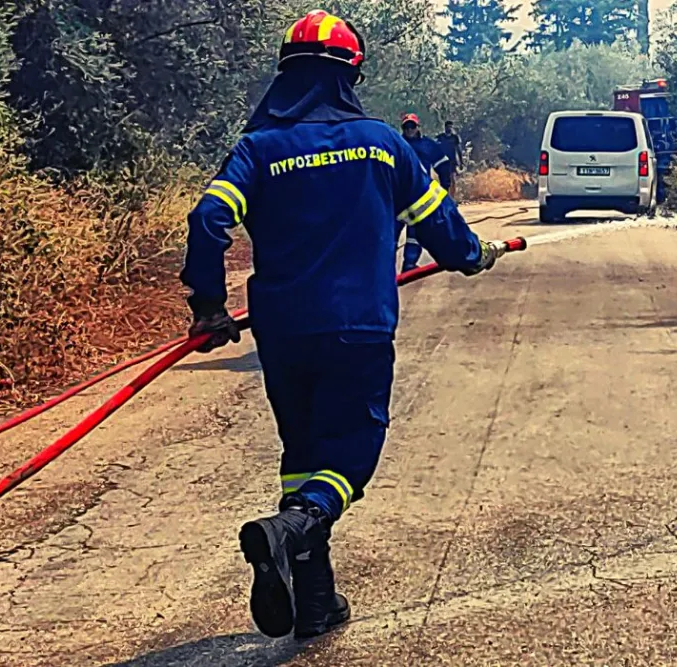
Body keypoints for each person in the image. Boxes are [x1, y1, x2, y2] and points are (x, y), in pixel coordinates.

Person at [178, 10, 500, 641]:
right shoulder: (383, 143)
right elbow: (444, 231)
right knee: (350, 453)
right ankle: (293, 527)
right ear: (351, 75)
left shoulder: (258, 149)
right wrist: (473, 255)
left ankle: (316, 604)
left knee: (302, 456)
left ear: (285, 76)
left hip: (285, 332)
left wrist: (208, 307)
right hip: (358, 326)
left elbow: (207, 220)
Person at [399, 114, 451, 272]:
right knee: (389, 232)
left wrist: (445, 186)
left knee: (415, 231)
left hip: (418, 194)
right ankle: (383, 269)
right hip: (397, 194)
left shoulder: (427, 145)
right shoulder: (397, 144)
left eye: (412, 127)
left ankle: (409, 264)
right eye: (406, 127)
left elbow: (443, 164)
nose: (409, 130)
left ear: (417, 127)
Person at [437, 120, 464, 200]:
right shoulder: (440, 137)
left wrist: (461, 162)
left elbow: (459, 150)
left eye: (450, 127)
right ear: (444, 127)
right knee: (443, 181)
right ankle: (444, 198)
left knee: (453, 180)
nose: (449, 128)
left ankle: (452, 199)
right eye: (448, 127)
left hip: (452, 161)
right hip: (442, 162)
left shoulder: (455, 137)